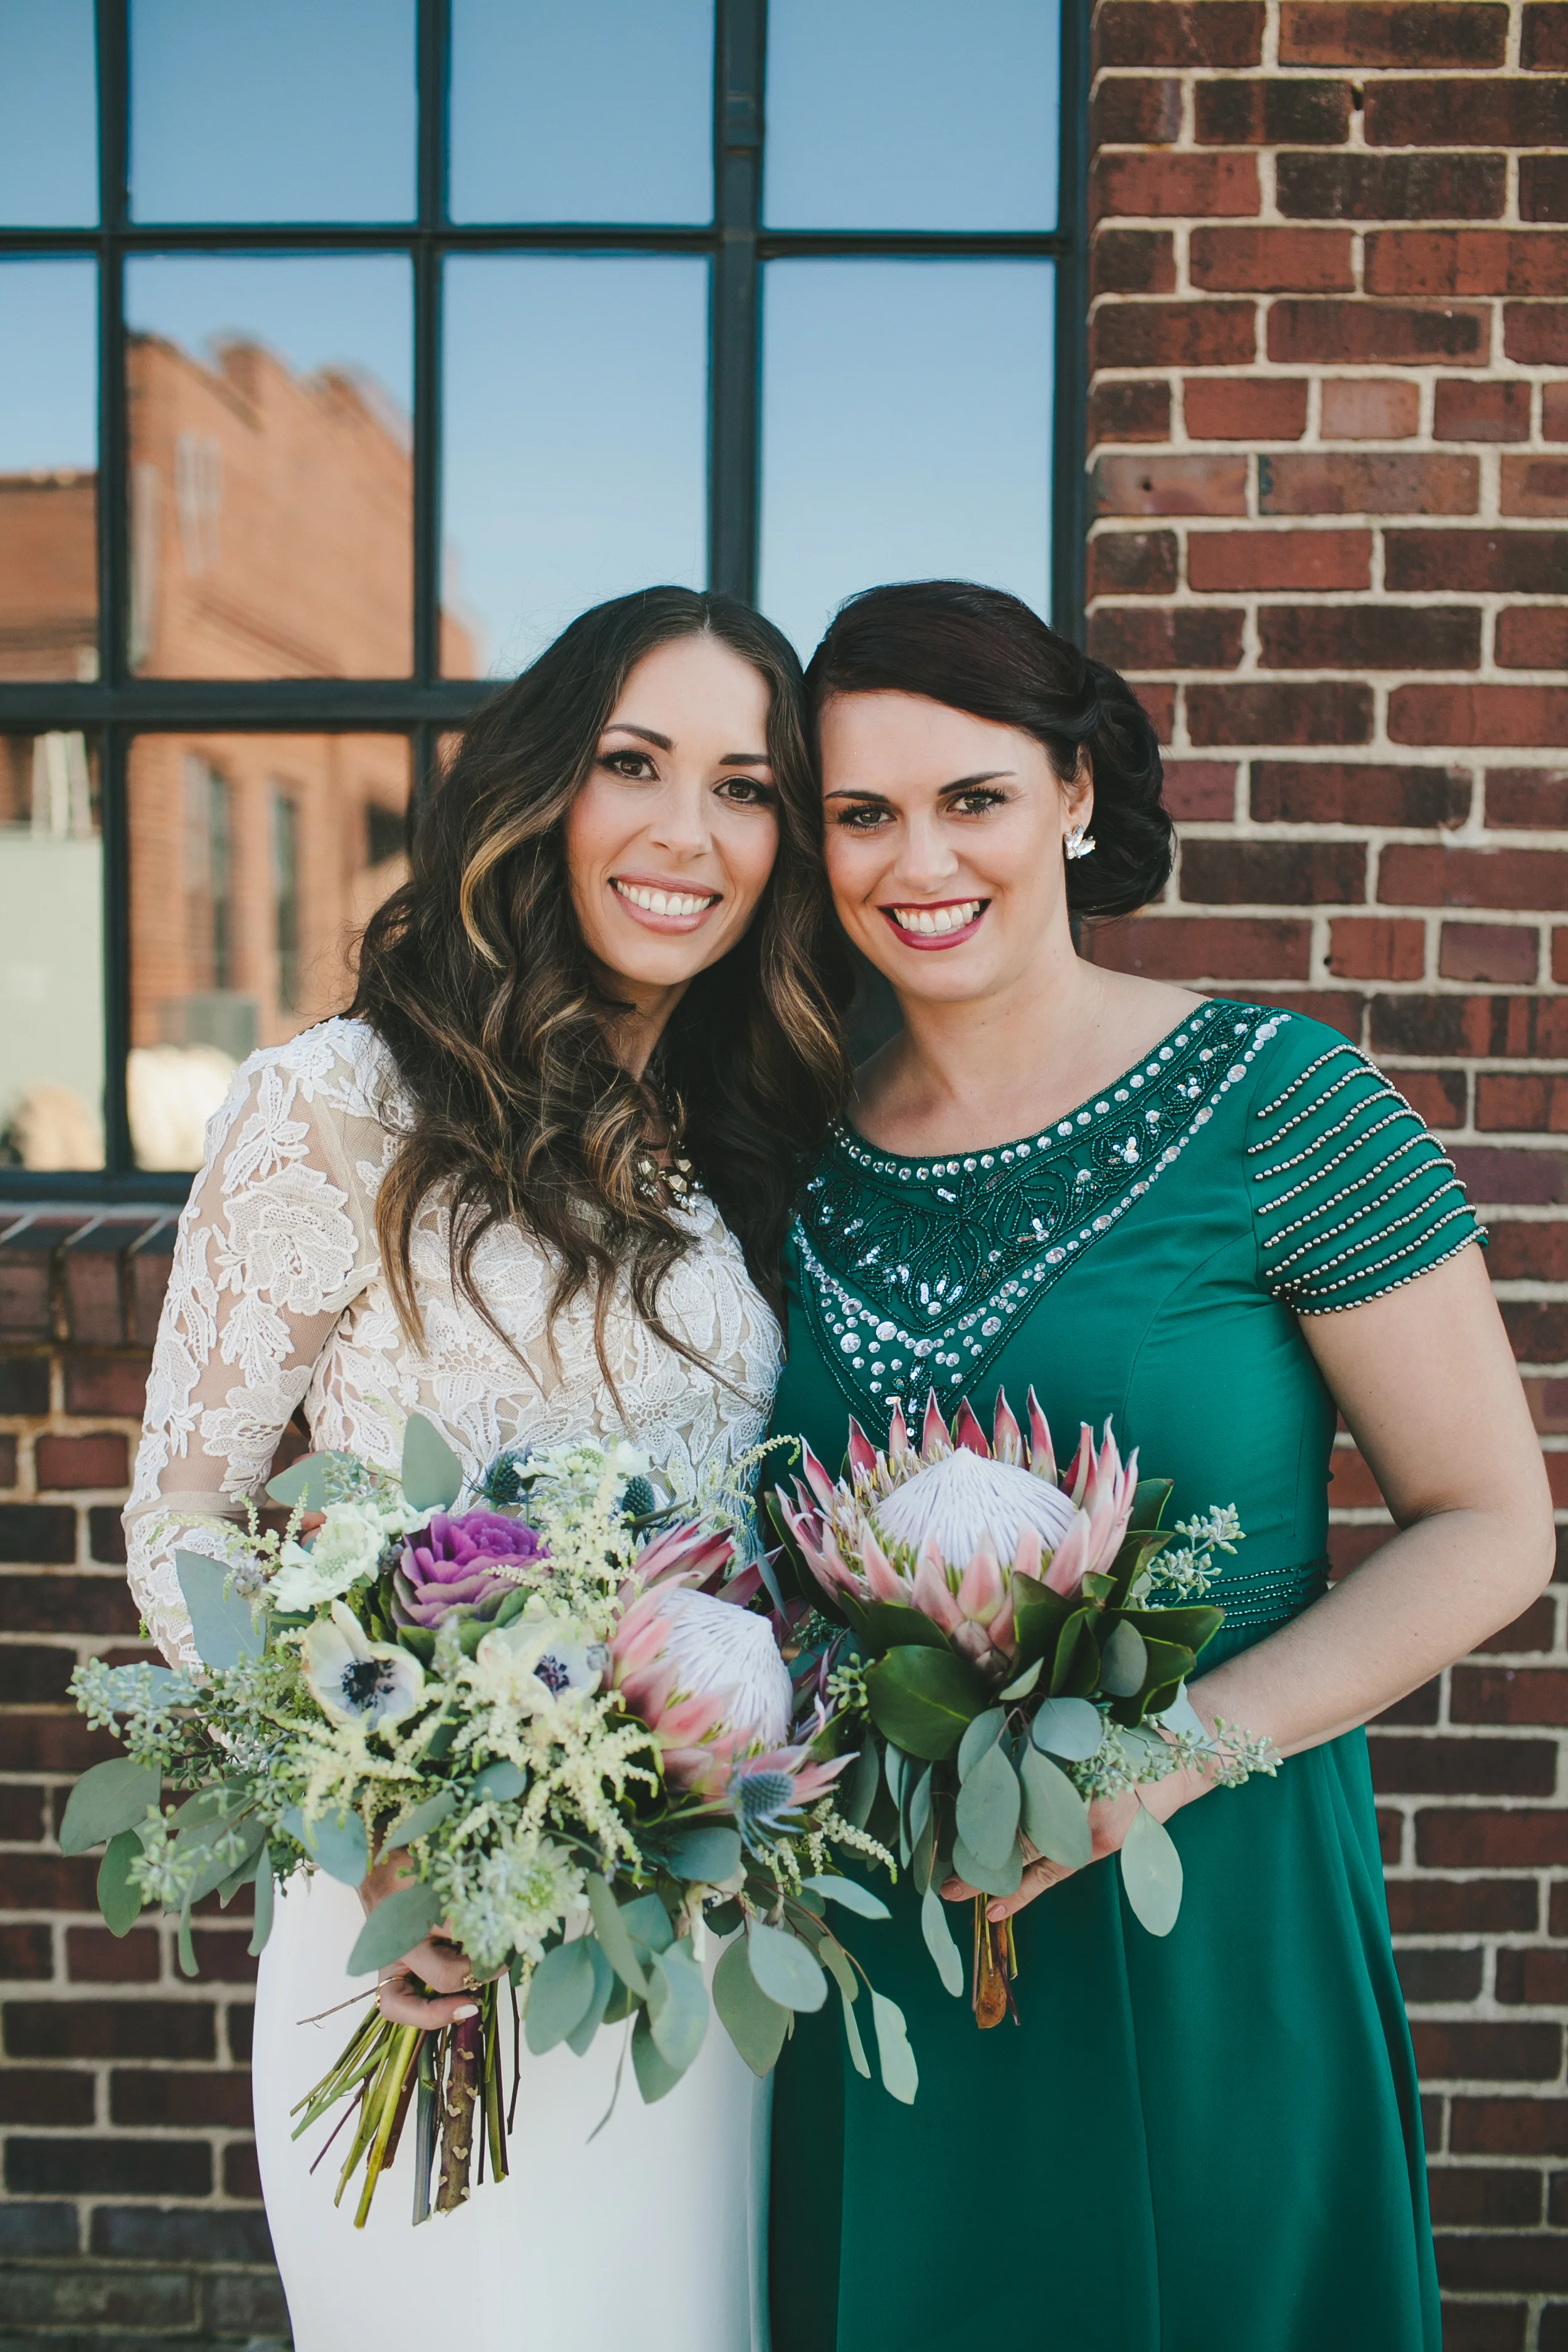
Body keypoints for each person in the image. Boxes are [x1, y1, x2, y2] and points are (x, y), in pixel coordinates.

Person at [767, 580, 1554, 2352]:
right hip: (879, 1932)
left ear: (1072, 793)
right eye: (862, 813)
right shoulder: (786, 1151)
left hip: (1207, 1899)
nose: (918, 861)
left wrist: (1159, 1763)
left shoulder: (1283, 1101)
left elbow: (1492, 1523)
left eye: (971, 798)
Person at [124, 586, 850, 2352]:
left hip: (683, 1936)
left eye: (745, 788)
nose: (688, 833)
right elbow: (187, 1514)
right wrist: (378, 1830)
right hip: (421, 1926)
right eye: (634, 765)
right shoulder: (337, 1101)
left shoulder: (743, 1139)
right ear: (542, 789)